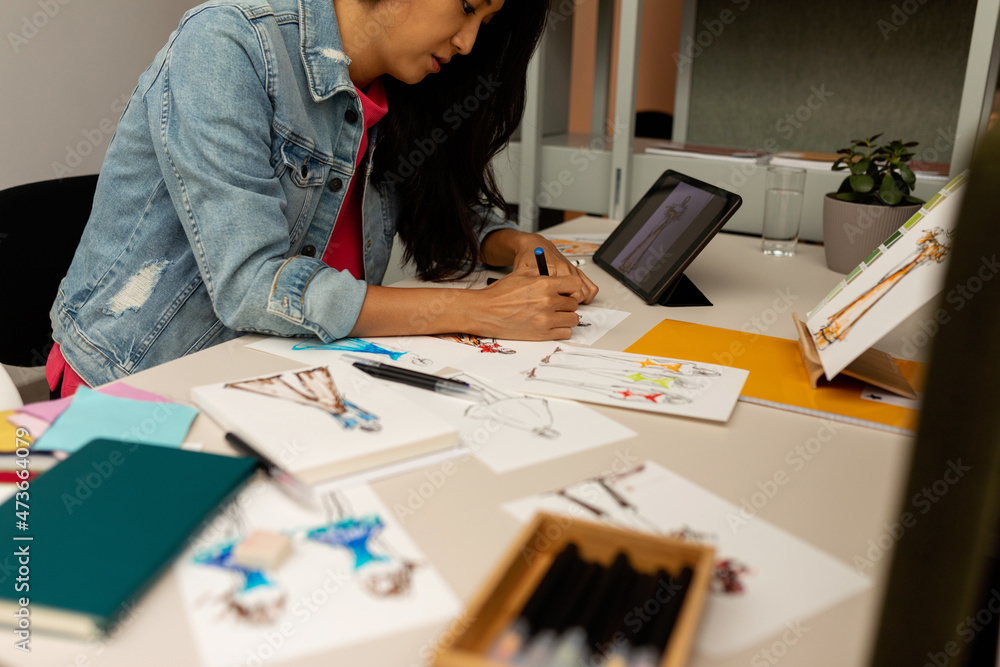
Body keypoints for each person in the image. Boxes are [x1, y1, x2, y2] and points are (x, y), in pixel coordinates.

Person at [47, 0, 598, 397]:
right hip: (143, 383)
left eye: (485, 23)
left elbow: (443, 208)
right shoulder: (226, 44)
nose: (468, 42)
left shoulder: (399, 86)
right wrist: (480, 312)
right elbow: (251, 285)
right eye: (468, 8)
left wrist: (521, 246)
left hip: (286, 377)